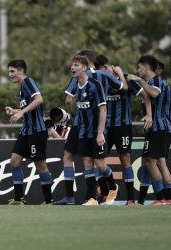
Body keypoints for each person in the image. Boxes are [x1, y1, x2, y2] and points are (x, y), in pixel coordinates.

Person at [54, 50, 124, 205]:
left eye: (76, 65)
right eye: (72, 65)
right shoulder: (77, 85)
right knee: (87, 163)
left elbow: (103, 109)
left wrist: (100, 133)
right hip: (82, 130)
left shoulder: (95, 84)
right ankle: (92, 198)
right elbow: (70, 101)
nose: (72, 67)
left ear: (84, 67)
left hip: (96, 131)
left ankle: (113, 187)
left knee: (99, 164)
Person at [94, 54, 153, 205]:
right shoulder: (99, 81)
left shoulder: (126, 78)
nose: (99, 75)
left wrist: (148, 115)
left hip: (123, 126)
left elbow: (145, 94)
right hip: (105, 127)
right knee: (97, 160)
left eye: (100, 71)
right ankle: (101, 193)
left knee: (125, 159)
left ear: (106, 68)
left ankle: (131, 199)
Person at [5, 59, 53, 205]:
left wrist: (20, 114)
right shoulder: (22, 86)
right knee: (14, 162)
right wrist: (16, 111)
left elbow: (39, 100)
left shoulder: (28, 82)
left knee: (40, 165)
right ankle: (19, 200)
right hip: (27, 131)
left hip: (36, 131)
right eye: (9, 71)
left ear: (21, 71)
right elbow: (31, 107)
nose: (10, 74)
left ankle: (49, 201)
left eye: (12, 71)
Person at [127, 55, 171, 205]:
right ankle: (168, 199)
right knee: (158, 162)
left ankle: (160, 199)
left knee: (150, 162)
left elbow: (154, 93)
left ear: (146, 67)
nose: (138, 70)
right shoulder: (151, 82)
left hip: (158, 128)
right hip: (159, 128)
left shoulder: (156, 82)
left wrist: (138, 80)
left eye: (139, 67)